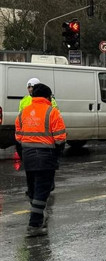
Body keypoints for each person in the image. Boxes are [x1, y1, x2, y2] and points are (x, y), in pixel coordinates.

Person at [15, 83, 66, 237]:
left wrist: (24, 155)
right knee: (42, 192)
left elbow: (18, 138)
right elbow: (60, 139)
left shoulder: (23, 112)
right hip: (46, 157)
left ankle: (37, 219)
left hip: (28, 157)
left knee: (33, 190)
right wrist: (56, 156)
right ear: (47, 96)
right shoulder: (52, 112)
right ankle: (34, 225)